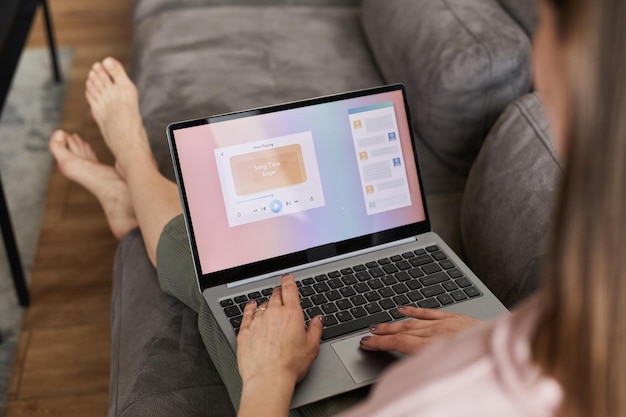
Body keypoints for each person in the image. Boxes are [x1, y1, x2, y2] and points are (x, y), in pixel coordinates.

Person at [50, 0, 626, 414]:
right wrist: (491, 338)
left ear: (568, 62)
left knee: (221, 289)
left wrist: (269, 383)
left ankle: (133, 170)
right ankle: (132, 198)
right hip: (469, 337)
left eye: (546, 17)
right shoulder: (583, 332)